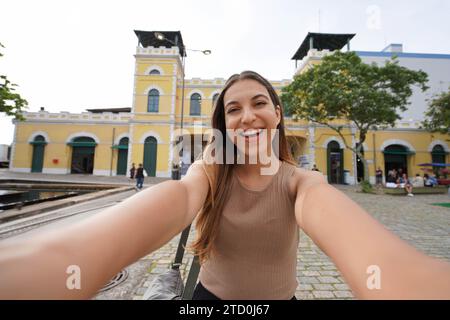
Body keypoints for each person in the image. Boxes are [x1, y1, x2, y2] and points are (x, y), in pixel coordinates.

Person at [1, 71, 449, 300]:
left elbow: (378, 261)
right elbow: (175, 199)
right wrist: (56, 262)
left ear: (277, 113)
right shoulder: (209, 173)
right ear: (224, 123)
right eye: (233, 109)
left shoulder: (302, 183)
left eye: (259, 103)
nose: (247, 115)